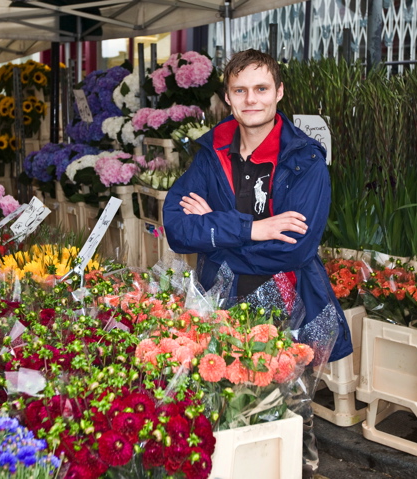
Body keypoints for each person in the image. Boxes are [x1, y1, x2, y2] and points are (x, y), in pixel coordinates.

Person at [163, 49, 353, 477]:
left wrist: (215, 230)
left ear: (279, 92)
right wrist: (254, 229)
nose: (251, 99)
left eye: (261, 88)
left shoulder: (305, 161)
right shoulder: (211, 152)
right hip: (220, 301)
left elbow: (295, 250)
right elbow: (177, 228)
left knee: (287, 410)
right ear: (227, 97)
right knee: (222, 407)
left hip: (286, 306)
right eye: (240, 90)